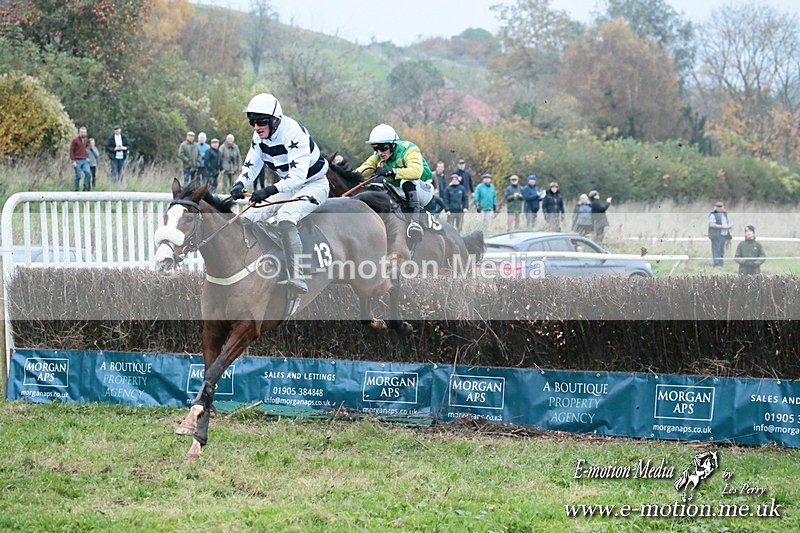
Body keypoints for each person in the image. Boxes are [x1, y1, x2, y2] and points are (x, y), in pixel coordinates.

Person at [229, 93, 329, 293]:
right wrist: (240, 183)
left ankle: (298, 275)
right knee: (249, 217)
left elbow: (298, 177)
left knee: (285, 216)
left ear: (275, 120)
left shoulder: (294, 133)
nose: (257, 127)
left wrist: (267, 190)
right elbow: (252, 163)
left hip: (314, 184)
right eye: (252, 122)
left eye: (261, 122)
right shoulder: (259, 137)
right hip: (290, 186)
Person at [355, 123, 434, 244]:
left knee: (406, 181)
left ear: (393, 144)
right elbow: (362, 170)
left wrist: (392, 172)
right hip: (396, 187)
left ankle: (414, 223)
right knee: (374, 187)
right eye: (375, 149)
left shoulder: (410, 149)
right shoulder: (378, 156)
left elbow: (416, 172)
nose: (380, 152)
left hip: (422, 188)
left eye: (383, 148)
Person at [707, 201, 733, 267]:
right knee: (716, 250)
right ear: (715, 208)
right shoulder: (713, 214)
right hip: (716, 235)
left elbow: (726, 222)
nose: (720, 208)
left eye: (721, 207)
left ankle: (721, 264)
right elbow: (712, 225)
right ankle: (716, 264)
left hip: (723, 235)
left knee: (721, 250)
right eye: (718, 207)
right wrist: (723, 227)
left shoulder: (724, 214)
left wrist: (729, 226)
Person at [69, 126, 91, 191]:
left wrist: (87, 157)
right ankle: (76, 190)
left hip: (84, 160)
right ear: (79, 132)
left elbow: (88, 149)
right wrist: (73, 161)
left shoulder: (87, 140)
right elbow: (71, 150)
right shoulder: (75, 140)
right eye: (82, 132)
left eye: (84, 132)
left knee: (88, 173)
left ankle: (85, 188)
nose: (83, 134)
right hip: (77, 160)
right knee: (78, 176)